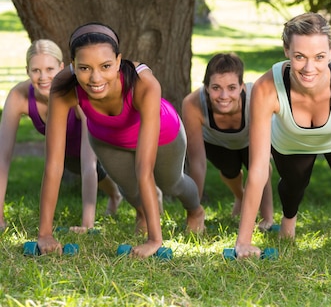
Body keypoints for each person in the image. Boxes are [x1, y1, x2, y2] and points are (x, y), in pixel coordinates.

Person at [37, 23, 205, 258]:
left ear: (118, 61)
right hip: (108, 138)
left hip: (163, 133)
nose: (95, 78)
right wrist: (44, 233)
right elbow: (54, 164)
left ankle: (196, 211)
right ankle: (144, 213)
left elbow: (144, 169)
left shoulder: (144, 83)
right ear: (73, 66)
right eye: (84, 68)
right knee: (130, 188)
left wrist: (155, 241)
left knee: (172, 183)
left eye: (105, 66)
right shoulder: (64, 86)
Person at [233, 12, 331, 259]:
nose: (309, 67)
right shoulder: (265, 88)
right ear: (286, 50)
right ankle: (288, 220)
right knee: (293, 184)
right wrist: (244, 241)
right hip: (291, 140)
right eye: (299, 56)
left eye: (319, 57)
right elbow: (259, 169)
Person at [0, 40, 122, 232]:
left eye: (50, 69)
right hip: (65, 153)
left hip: (100, 143)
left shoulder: (76, 94)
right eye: (36, 70)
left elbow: (88, 163)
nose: (43, 77)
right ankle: (115, 194)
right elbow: (2, 159)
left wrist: (87, 224)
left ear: (62, 68)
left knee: (97, 169)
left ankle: (116, 195)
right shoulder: (19, 96)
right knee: (76, 166)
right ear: (27, 71)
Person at [181, 52, 274, 229]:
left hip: (250, 140)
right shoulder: (192, 103)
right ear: (206, 87)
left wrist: (267, 218)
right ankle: (240, 196)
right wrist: (193, 213)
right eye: (216, 88)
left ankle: (266, 215)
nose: (224, 96)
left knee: (261, 167)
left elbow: (260, 165)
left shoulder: (255, 97)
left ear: (241, 87)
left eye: (231, 88)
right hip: (217, 143)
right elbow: (197, 163)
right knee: (230, 172)